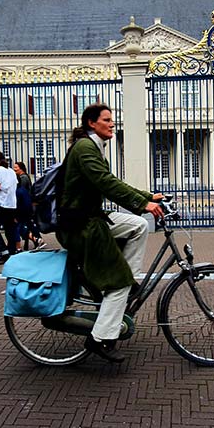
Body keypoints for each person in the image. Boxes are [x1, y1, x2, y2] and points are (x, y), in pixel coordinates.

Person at [56, 103, 163, 363]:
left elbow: (111, 180)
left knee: (138, 226)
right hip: (82, 226)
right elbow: (105, 183)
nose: (112, 123)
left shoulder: (93, 147)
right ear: (92, 123)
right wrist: (142, 204)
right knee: (119, 283)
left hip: (92, 217)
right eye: (107, 119)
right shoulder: (84, 148)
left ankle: (128, 279)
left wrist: (147, 196)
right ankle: (99, 338)